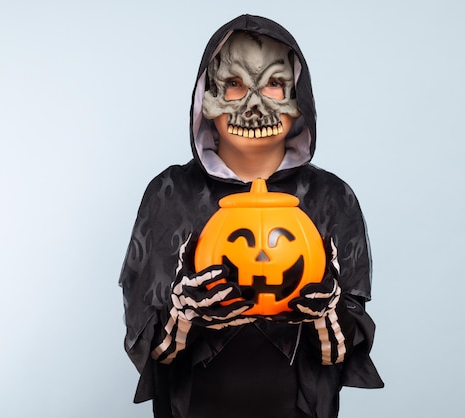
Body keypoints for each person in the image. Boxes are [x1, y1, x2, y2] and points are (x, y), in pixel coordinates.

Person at [118, 14, 383, 418]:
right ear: (206, 99)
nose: (254, 106)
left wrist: (328, 309)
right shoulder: (170, 194)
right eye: (234, 85)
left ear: (299, 98)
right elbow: (152, 347)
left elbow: (340, 354)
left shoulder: (332, 198)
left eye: (274, 84)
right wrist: (184, 314)